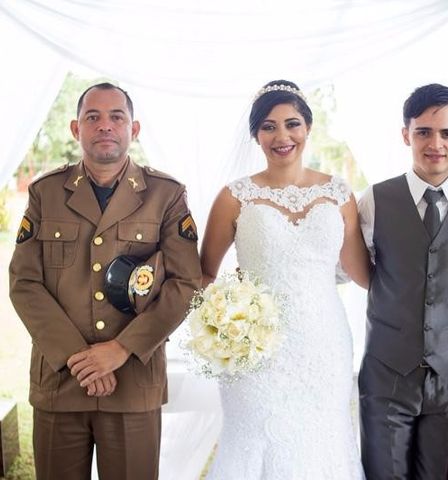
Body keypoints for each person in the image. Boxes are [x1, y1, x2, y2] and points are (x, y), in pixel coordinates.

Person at [9, 82, 202, 480]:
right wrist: (79, 359)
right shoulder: (46, 193)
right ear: (76, 129)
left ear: (134, 130)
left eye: (117, 116)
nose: (105, 125)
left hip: (132, 382)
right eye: (92, 117)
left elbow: (185, 283)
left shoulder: (165, 195)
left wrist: (120, 349)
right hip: (60, 380)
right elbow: (24, 282)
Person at [200, 79, 369, 479]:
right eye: (269, 126)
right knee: (255, 438)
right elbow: (205, 272)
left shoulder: (338, 194)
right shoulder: (234, 197)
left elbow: (364, 274)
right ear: (256, 135)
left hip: (323, 347)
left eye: (292, 124)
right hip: (256, 349)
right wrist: (222, 322)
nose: (282, 136)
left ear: (308, 128)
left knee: (322, 442)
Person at [358, 83, 448, 480]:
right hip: (386, 378)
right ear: (406, 135)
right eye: (423, 132)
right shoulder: (373, 200)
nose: (435, 143)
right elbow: (355, 270)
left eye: (447, 133)